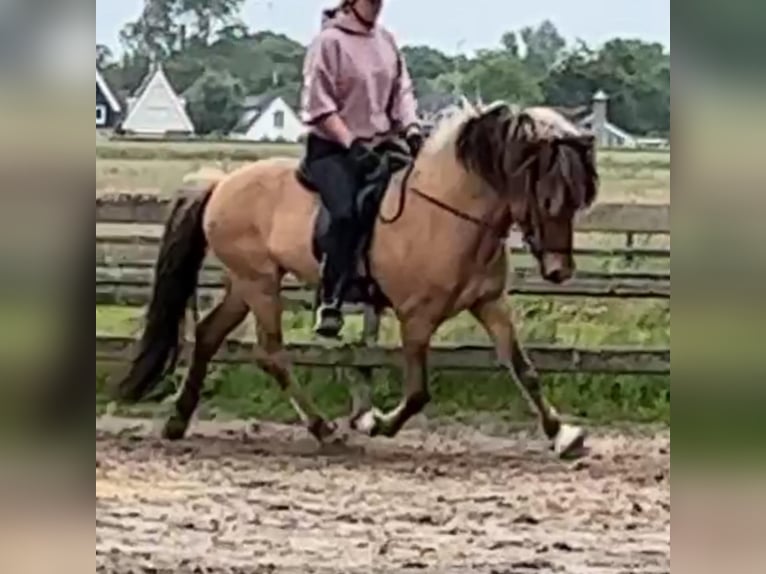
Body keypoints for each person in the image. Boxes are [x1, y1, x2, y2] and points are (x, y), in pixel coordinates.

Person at [300, 0, 424, 339]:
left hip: (381, 143)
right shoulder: (329, 43)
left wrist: (411, 127)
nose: (378, 6)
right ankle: (331, 298)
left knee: (419, 196)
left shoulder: (386, 40)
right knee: (344, 212)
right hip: (332, 149)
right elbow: (318, 105)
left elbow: (403, 90)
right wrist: (350, 143)